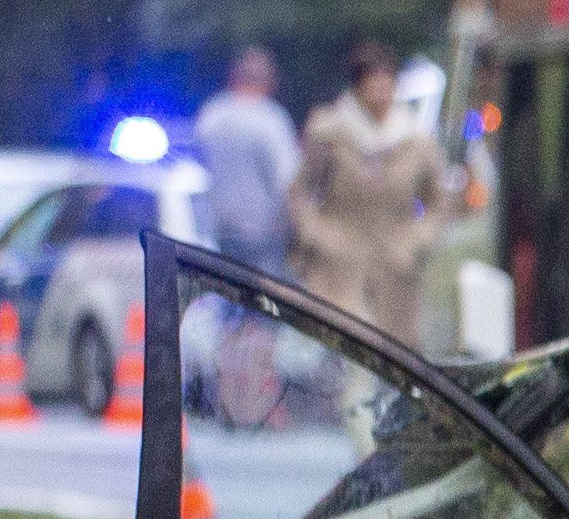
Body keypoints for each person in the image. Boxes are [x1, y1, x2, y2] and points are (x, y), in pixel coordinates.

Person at [290, 39, 446, 344]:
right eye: (372, 82)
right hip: (337, 266)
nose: (380, 90)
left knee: (396, 352)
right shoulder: (330, 133)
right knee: (340, 349)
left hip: (394, 267)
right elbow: (300, 192)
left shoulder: (416, 139)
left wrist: (416, 240)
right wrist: (318, 235)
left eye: (387, 81)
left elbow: (437, 201)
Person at [190, 47, 298, 272]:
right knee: (263, 302)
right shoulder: (271, 119)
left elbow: (196, 171)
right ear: (269, 81)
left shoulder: (211, 115)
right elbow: (287, 179)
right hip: (264, 234)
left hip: (219, 230)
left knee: (225, 296)